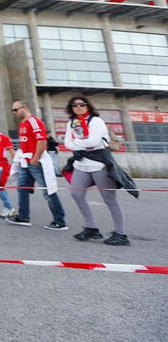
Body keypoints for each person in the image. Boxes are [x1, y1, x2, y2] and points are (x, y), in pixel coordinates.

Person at [63, 96, 131, 246]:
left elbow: (93, 142)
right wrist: (80, 145)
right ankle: (91, 228)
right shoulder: (72, 123)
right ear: (71, 108)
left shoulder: (96, 121)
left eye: (82, 104)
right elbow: (66, 142)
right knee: (76, 194)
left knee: (109, 199)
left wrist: (76, 143)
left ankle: (121, 233)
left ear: (88, 106)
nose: (78, 107)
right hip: (81, 163)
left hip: (99, 163)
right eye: (75, 105)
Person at [6, 100, 68, 230]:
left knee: (48, 191)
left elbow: (41, 141)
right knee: (22, 188)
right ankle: (23, 216)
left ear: (24, 108)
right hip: (25, 162)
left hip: (35, 163)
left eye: (15, 110)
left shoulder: (33, 122)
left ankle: (59, 220)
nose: (14, 113)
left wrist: (36, 158)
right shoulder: (22, 124)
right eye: (13, 110)